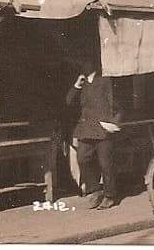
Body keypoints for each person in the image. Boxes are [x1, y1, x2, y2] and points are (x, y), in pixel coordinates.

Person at [65, 62, 123, 210]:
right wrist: (76, 85)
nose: (83, 66)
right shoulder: (82, 84)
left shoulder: (104, 80)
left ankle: (110, 196)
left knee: (106, 164)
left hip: (103, 129)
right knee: (82, 158)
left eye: (85, 63)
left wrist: (114, 123)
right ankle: (96, 190)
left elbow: (118, 105)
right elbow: (68, 102)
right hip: (86, 129)